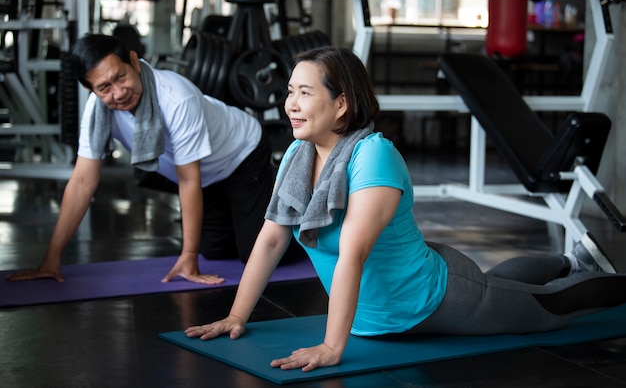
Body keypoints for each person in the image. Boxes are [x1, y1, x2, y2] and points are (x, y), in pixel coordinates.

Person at [184, 45, 626, 372]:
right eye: (289, 92)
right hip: (377, 320)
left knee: (549, 312)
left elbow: (352, 254)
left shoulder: (372, 155)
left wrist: (332, 347)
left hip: (436, 300)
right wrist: (237, 315)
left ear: (342, 105)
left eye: (304, 92)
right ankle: (573, 258)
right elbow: (270, 240)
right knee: (504, 285)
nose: (290, 104)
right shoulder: (298, 161)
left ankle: (605, 279)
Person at [6, 33, 277, 285]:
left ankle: (283, 201)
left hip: (242, 154)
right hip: (207, 175)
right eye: (104, 88)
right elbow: (81, 182)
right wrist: (51, 259)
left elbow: (187, 179)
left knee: (260, 254)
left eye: (121, 77)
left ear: (134, 61)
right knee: (215, 252)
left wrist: (188, 259)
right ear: (91, 90)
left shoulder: (175, 98)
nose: (119, 92)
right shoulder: (98, 111)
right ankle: (247, 213)